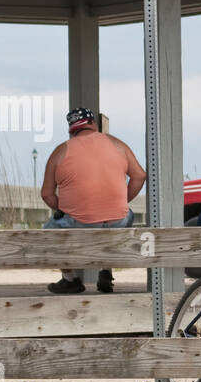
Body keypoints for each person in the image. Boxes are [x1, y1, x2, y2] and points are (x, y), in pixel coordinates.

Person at [41, 107, 147, 294]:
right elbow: (139, 175)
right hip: (118, 221)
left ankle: (70, 279)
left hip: (81, 223)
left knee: (50, 229)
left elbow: (47, 195)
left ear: (71, 129)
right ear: (93, 124)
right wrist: (122, 200)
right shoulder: (117, 144)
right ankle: (105, 270)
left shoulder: (60, 151)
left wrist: (66, 208)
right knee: (123, 216)